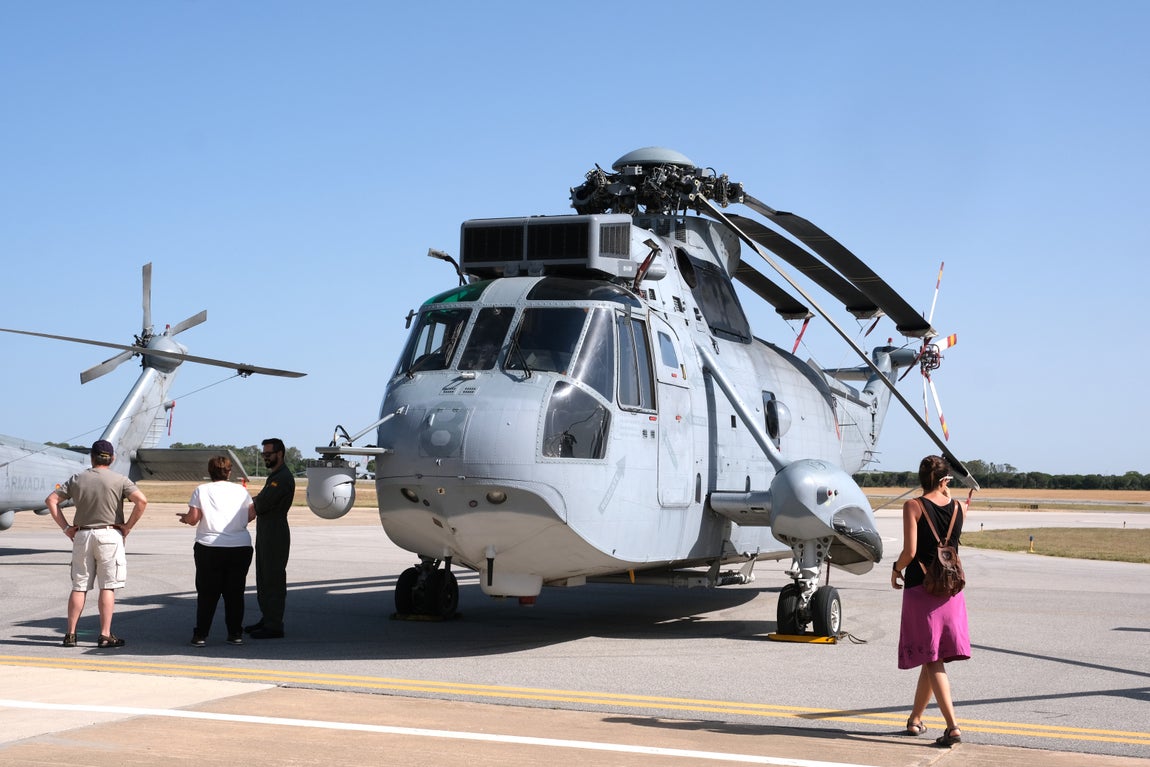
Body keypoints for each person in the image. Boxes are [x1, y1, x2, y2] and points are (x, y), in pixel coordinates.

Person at [890, 455, 970, 747]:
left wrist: (896, 569)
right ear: (945, 479)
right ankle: (915, 719)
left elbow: (910, 552)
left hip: (921, 589)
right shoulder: (960, 507)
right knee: (930, 654)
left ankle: (952, 726)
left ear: (922, 478)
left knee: (933, 657)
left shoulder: (913, 506)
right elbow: (951, 517)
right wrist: (948, 494)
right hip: (950, 589)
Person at [45, 439, 148, 649]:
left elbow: (51, 500)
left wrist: (66, 528)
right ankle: (104, 634)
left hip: (82, 534)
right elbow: (141, 501)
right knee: (107, 586)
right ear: (112, 458)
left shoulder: (77, 478)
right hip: (109, 535)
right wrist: (127, 526)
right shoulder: (120, 479)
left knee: (79, 586)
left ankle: (71, 633)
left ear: (92, 457)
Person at [178, 455, 255, 647]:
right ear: (229, 472)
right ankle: (235, 633)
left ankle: (201, 634)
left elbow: (194, 517)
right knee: (235, 593)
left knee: (207, 593)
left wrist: (186, 519)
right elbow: (252, 513)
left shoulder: (202, 490)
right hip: (240, 545)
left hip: (209, 546)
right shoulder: (241, 491)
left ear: (210, 471)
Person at [246, 437, 294, 639]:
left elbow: (262, 503)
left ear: (280, 454)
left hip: (275, 533)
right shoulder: (274, 476)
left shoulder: (281, 478)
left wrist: (244, 502)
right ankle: (267, 618)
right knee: (264, 578)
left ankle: (274, 625)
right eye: (263, 454)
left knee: (273, 579)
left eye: (268, 454)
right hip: (267, 532)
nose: (265, 457)